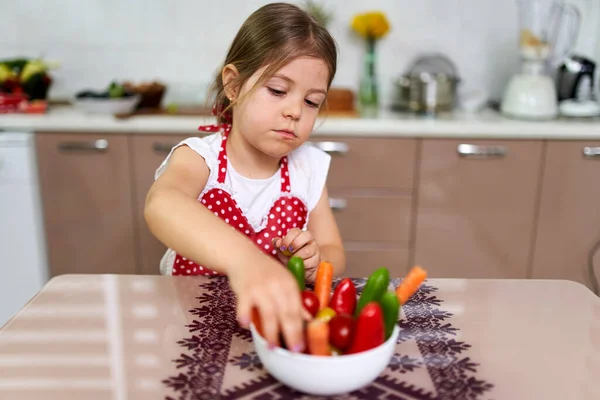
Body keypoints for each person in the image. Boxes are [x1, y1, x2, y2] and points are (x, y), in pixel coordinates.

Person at [144, 2, 345, 354]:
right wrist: (247, 262)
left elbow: (333, 251)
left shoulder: (308, 167)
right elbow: (162, 204)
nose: (295, 111)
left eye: (312, 102)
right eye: (279, 91)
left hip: (273, 335)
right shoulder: (199, 158)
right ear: (234, 86)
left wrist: (316, 262)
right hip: (190, 330)